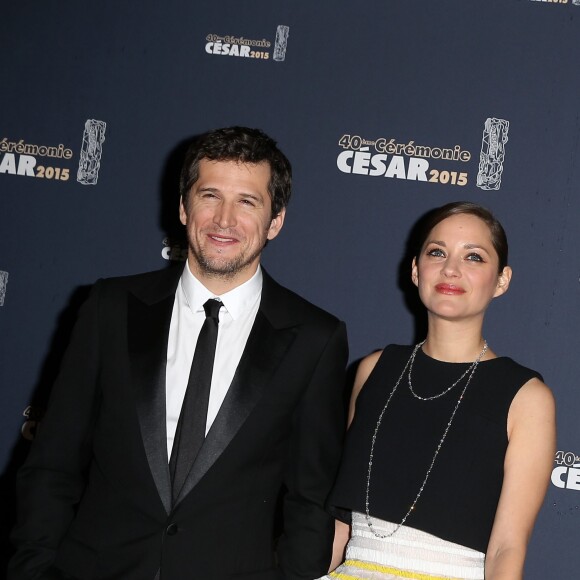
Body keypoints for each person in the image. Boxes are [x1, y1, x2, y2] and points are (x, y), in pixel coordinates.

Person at [9, 126, 348, 580]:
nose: (224, 220)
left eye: (247, 201)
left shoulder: (314, 338)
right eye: (210, 195)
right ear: (184, 208)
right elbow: (53, 462)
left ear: (276, 220)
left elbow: (310, 501)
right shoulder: (110, 308)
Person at [320, 202, 556, 580]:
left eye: (474, 257)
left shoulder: (526, 398)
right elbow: (341, 527)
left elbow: (506, 547)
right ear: (416, 270)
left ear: (502, 280)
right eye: (437, 252)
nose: (451, 269)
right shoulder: (373, 370)